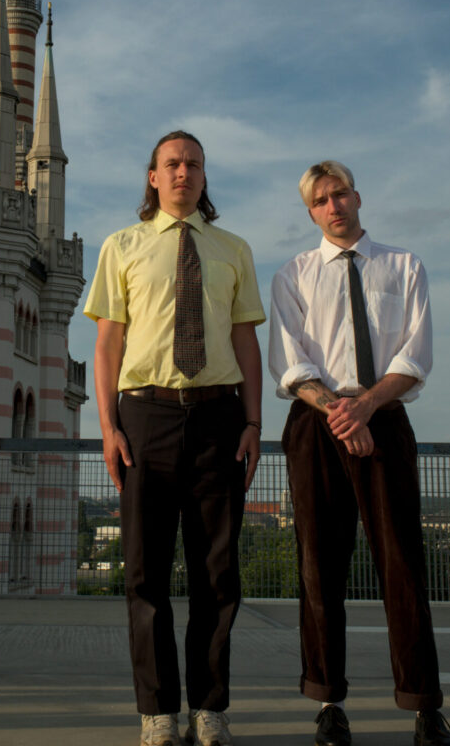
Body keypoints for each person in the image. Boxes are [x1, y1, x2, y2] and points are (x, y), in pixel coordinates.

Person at [84, 131, 265, 746]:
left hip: (219, 419)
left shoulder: (233, 249)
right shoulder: (122, 246)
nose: (183, 172)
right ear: (153, 177)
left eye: (193, 164)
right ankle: (157, 712)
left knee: (217, 573)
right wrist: (108, 427)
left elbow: (245, 339)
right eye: (172, 163)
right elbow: (108, 343)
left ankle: (209, 709)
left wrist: (253, 422)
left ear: (204, 176)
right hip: (145, 417)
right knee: (145, 573)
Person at [268, 161, 450, 746]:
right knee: (319, 565)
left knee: (402, 563)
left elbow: (415, 357)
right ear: (311, 212)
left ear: (358, 197)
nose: (335, 206)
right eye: (322, 200)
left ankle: (424, 707)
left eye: (342, 194)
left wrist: (367, 406)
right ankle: (329, 703)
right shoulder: (293, 276)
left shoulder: (404, 266)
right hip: (316, 425)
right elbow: (290, 363)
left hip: (385, 419)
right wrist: (341, 414)